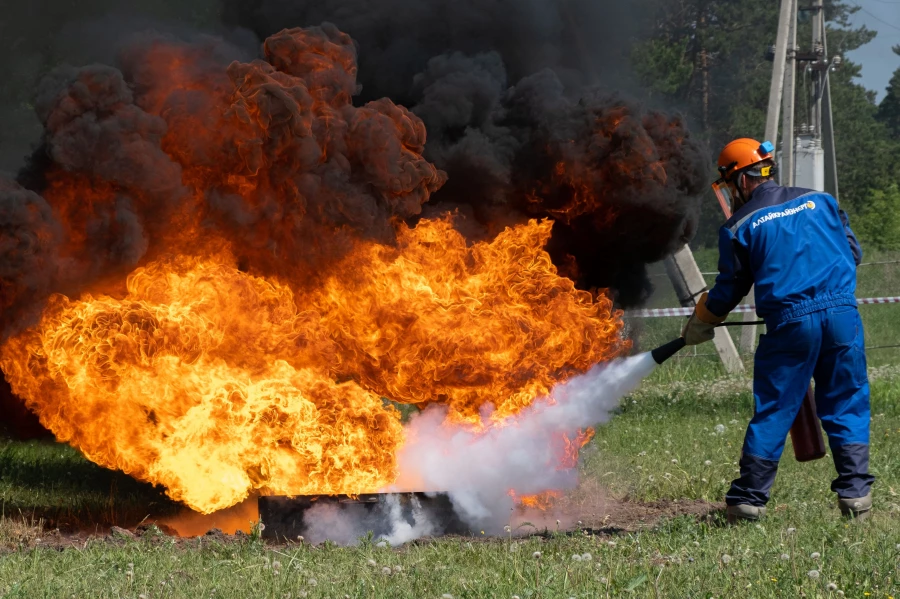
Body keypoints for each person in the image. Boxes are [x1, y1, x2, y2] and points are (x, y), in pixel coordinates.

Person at [682, 138, 874, 523]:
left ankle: (748, 501)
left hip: (791, 323)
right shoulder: (821, 200)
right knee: (846, 400)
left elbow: (731, 286)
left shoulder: (739, 225)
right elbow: (853, 253)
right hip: (841, 316)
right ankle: (856, 496)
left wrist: (703, 321)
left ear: (739, 180)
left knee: (774, 408)